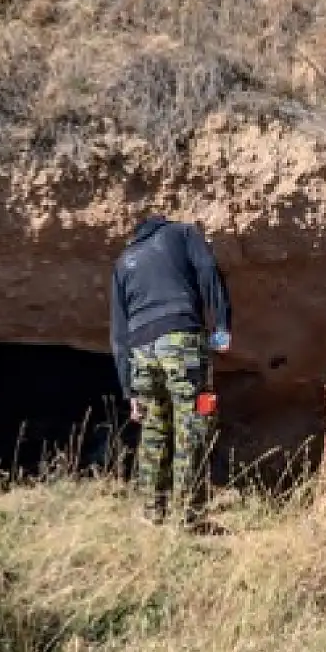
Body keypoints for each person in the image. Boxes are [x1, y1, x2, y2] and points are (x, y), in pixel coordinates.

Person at [110, 213, 232, 528]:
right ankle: (187, 516)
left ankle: (152, 511)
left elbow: (118, 333)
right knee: (192, 424)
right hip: (180, 337)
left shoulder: (124, 261)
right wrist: (221, 330)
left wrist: (129, 390)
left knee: (154, 428)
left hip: (141, 350)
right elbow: (208, 273)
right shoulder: (182, 233)